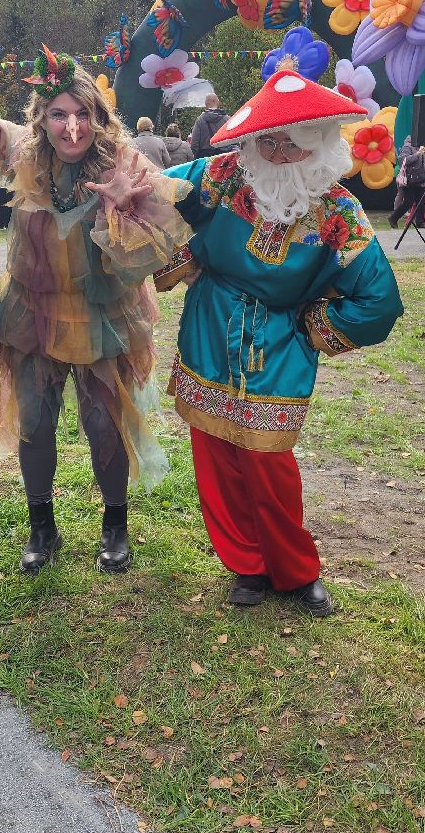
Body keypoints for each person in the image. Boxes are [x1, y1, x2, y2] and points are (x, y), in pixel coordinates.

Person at [156, 71, 403, 616]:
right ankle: (246, 566)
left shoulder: (339, 212)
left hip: (279, 347)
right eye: (267, 139)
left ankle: (295, 570)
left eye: (294, 138)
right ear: (248, 142)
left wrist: (311, 328)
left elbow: (379, 301)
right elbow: (154, 193)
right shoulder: (221, 175)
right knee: (216, 461)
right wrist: (181, 249)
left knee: (270, 467)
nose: (280, 150)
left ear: (320, 140)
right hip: (210, 335)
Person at [0, 49, 193, 576]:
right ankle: (41, 525)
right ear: (41, 119)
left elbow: (153, 253)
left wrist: (121, 214)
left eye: (82, 114)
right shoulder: (27, 156)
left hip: (101, 315)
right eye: (58, 114)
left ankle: (115, 525)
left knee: (101, 422)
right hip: (33, 312)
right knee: (37, 421)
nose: (71, 128)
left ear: (99, 116)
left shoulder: (128, 165)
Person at [388, 136, 425, 228]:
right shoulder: (407, 147)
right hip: (409, 180)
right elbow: (403, 160)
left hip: (420, 179)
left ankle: (420, 222)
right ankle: (393, 218)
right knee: (408, 202)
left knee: (421, 201)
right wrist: (417, 154)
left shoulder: (420, 147)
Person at [189, 93, 232, 157]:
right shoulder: (227, 119)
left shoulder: (200, 120)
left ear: (206, 104)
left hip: (205, 158)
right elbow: (234, 139)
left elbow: (194, 144)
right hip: (224, 157)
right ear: (218, 102)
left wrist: (195, 158)